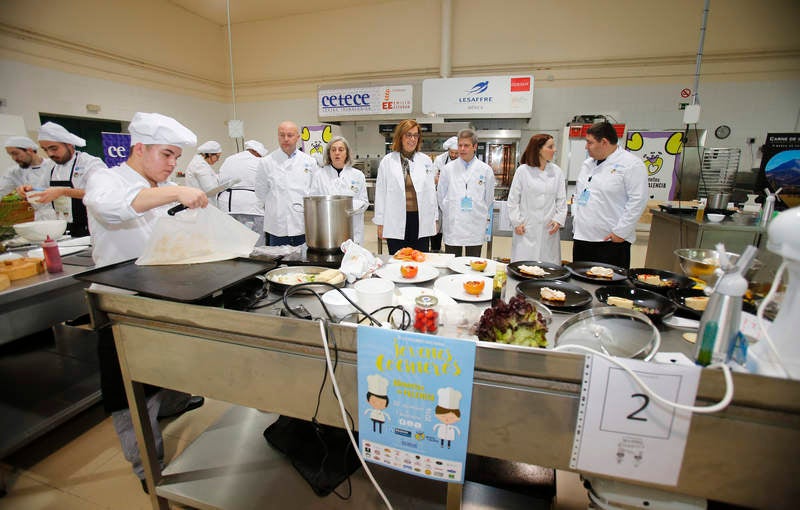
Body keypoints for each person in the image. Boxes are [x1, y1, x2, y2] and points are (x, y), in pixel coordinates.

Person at [83, 112, 208, 492]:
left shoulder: (162, 184)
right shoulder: (107, 179)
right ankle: (147, 468)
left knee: (172, 362)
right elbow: (113, 207)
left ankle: (175, 403)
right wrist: (176, 192)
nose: (172, 164)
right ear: (139, 148)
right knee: (129, 390)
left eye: (176, 157)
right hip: (122, 301)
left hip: (163, 292)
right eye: (167, 155)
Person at [572, 121, 648, 269]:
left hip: (610, 241)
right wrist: (576, 216)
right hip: (582, 237)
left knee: (608, 280)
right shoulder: (588, 164)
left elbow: (638, 200)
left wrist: (621, 232)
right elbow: (578, 194)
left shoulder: (631, 165)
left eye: (589, 142)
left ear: (604, 142)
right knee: (580, 279)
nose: (586, 146)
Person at [16, 122, 108, 237]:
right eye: (45, 150)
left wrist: (63, 191)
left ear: (69, 144)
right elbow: (44, 189)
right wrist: (30, 190)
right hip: (63, 228)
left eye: (54, 148)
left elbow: (103, 194)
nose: (50, 154)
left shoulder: (90, 163)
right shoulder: (51, 166)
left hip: (90, 228)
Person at [373, 119, 438, 254]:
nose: (412, 139)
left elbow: (431, 193)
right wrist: (380, 223)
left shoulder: (425, 161)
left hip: (420, 220)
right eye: (408, 135)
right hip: (395, 219)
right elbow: (380, 194)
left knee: (420, 259)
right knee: (398, 259)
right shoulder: (387, 162)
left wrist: (435, 219)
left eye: (415, 135)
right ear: (400, 137)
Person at [255, 121, 318, 246]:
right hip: (277, 226)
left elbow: (314, 191)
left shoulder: (310, 162)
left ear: (297, 137)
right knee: (278, 257)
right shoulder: (266, 162)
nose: (285, 139)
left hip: (303, 224)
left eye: (290, 135)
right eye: (282, 135)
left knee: (304, 257)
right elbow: (260, 192)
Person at [507, 134, 567, 263]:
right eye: (550, 147)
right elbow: (513, 200)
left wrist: (558, 220)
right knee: (523, 267)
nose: (554, 150)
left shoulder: (557, 172)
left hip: (548, 230)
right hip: (526, 229)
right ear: (539, 149)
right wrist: (517, 222)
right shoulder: (523, 171)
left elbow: (561, 201)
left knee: (547, 268)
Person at [437, 129, 495, 257]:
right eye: (460, 145)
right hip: (454, 223)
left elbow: (489, 198)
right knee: (452, 262)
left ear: (475, 147)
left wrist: (477, 209)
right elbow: (441, 196)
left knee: (473, 263)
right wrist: (452, 209)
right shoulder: (448, 169)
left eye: (466, 145)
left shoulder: (485, 170)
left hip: (475, 223)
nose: (462, 149)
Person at [309, 136, 369, 244]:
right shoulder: (319, 175)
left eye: (341, 150)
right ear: (329, 153)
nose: (337, 153)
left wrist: (344, 207)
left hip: (352, 231)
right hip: (327, 231)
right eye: (333, 150)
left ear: (347, 153)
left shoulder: (358, 175)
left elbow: (364, 203)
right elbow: (313, 202)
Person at [218, 139, 268, 246]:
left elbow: (221, 181)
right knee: (256, 244)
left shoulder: (229, 159)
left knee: (232, 243)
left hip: (228, 205)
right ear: (257, 152)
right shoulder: (260, 162)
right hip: (252, 207)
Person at [2, 136, 56, 220]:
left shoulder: (53, 165)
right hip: (38, 218)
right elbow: (1, 190)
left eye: (15, 153)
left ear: (29, 150)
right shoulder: (14, 172)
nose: (14, 158)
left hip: (60, 214)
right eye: (11, 155)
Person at [430, 136, 458, 252]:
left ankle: (451, 252)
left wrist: (444, 179)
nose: (454, 155)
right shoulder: (440, 159)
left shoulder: (462, 161)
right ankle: (435, 250)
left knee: (451, 227)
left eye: (456, 153)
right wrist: (443, 180)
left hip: (454, 198)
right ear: (448, 150)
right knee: (437, 226)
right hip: (439, 197)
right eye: (452, 152)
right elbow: (433, 178)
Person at [184, 140, 222, 206]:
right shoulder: (199, 165)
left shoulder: (200, 163)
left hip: (202, 204)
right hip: (201, 205)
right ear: (209, 154)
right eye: (217, 156)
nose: (218, 160)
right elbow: (211, 189)